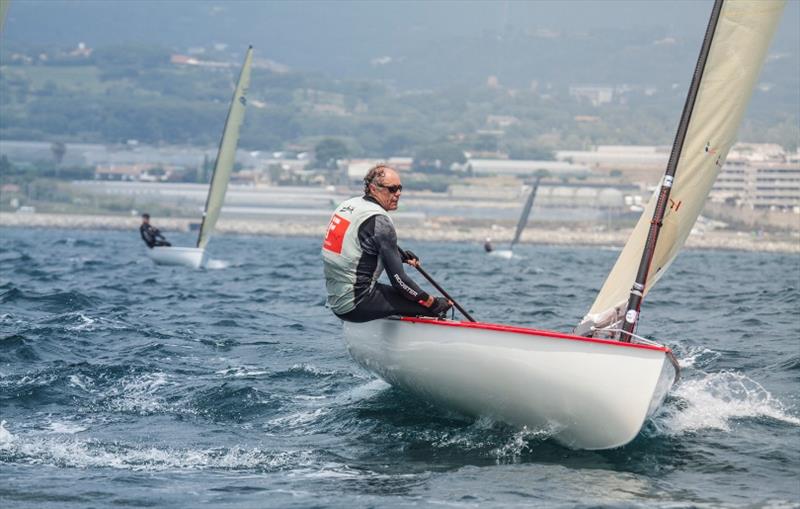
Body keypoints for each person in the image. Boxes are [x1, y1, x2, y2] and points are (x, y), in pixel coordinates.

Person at [322, 164, 452, 323]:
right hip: (358, 304)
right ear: (373, 189)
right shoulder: (381, 222)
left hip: (337, 301)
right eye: (392, 189)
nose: (398, 193)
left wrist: (398, 255)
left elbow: (360, 245)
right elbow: (399, 281)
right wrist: (433, 302)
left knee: (411, 298)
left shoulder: (348, 206)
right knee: (432, 306)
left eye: (400, 188)